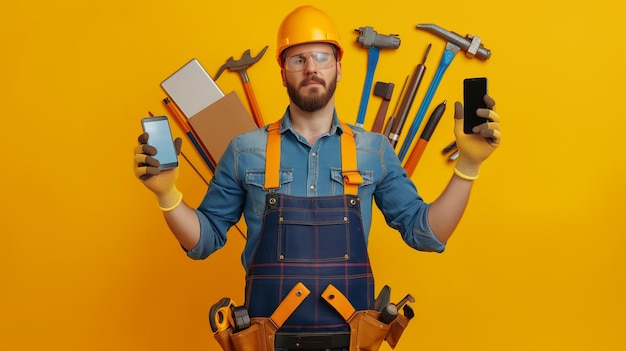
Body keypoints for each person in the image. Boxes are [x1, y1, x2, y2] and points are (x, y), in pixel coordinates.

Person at [133, 5, 501, 351]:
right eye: (298, 58)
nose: (311, 67)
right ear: (283, 73)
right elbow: (204, 241)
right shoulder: (245, 150)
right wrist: (167, 195)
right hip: (266, 342)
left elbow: (427, 234)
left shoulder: (372, 150)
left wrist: (468, 165)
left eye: (322, 57)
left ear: (338, 68)